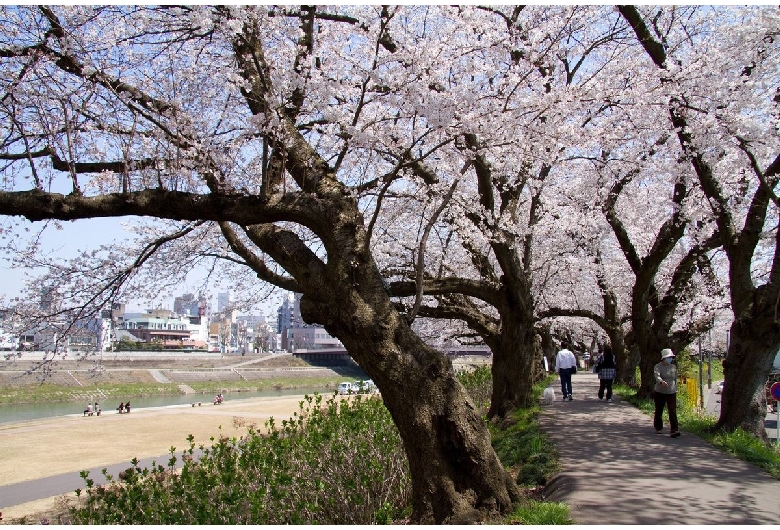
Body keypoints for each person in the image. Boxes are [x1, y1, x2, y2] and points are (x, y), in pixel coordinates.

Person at [654, 348, 680, 438]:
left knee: (672, 410)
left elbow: (675, 378)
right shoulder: (658, 366)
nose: (670, 359)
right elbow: (657, 376)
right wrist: (661, 382)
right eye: (668, 357)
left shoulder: (673, 367)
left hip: (671, 391)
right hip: (660, 391)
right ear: (663, 358)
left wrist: (676, 387)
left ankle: (674, 429)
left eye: (671, 357)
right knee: (659, 409)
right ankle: (658, 427)